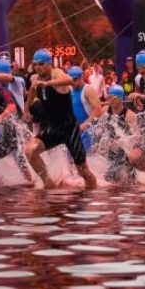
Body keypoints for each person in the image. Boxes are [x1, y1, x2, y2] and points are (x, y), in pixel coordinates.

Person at [24, 49, 97, 188]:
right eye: (35, 64)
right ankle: (49, 184)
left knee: (83, 170)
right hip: (53, 129)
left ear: (48, 64)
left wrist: (48, 83)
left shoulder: (55, 73)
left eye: (41, 64)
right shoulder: (35, 79)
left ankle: (93, 192)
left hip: (69, 129)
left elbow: (68, 79)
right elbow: (33, 90)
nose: (38, 67)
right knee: (30, 151)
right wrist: (26, 108)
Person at [68, 66, 103, 152]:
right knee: (71, 161)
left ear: (81, 77)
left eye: (75, 79)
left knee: (89, 159)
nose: (73, 82)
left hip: (88, 131)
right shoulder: (69, 89)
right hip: (75, 130)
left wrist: (86, 123)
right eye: (70, 80)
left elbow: (98, 110)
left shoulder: (88, 90)